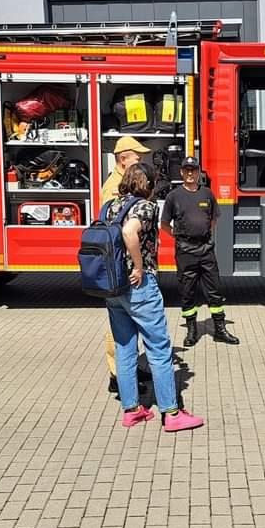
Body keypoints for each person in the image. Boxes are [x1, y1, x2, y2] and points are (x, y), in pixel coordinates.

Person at [106, 162, 204, 433]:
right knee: (159, 350)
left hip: (113, 287)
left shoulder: (112, 206)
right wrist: (138, 266)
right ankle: (171, 413)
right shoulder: (145, 206)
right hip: (139, 286)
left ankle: (132, 410)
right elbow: (129, 232)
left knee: (125, 349)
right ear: (148, 184)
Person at [161, 156, 239, 347]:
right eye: (186, 170)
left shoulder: (207, 193)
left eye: (193, 170)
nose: (190, 173)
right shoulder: (173, 196)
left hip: (206, 250)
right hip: (185, 251)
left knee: (215, 290)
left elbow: (213, 219)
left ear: (198, 172)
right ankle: (192, 331)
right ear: (181, 172)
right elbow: (164, 224)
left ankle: (220, 329)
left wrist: (201, 234)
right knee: (187, 292)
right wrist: (180, 237)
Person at [101, 136, 152, 393]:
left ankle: (128, 369)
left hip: (120, 263)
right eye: (136, 156)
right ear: (123, 159)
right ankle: (118, 376)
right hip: (119, 265)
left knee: (127, 322)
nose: (140, 160)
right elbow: (117, 230)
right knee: (118, 327)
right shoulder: (114, 187)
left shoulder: (121, 184)